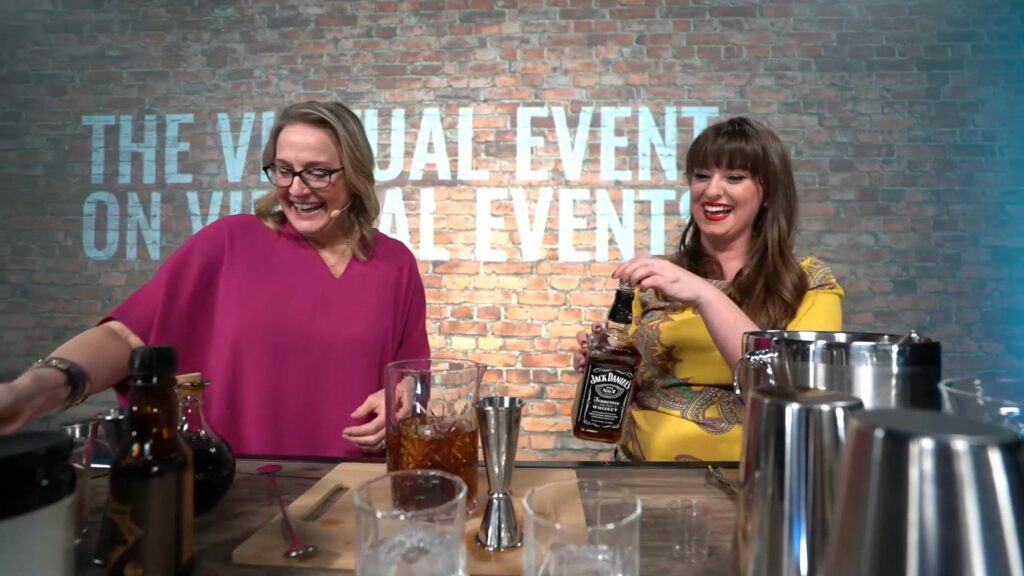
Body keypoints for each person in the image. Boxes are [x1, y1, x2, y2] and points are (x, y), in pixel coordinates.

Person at [0, 101, 429, 458]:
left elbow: (414, 378)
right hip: (238, 488)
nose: (298, 189)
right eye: (283, 170)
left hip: (351, 490)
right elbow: (125, 338)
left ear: (354, 175)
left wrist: (405, 397)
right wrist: (31, 390)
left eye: (318, 172)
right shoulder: (228, 243)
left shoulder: (394, 264)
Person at [574, 117, 843, 462]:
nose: (712, 190)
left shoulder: (810, 282)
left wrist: (706, 295)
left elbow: (794, 395)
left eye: (735, 177)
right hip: (639, 480)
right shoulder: (655, 280)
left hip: (757, 484)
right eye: (702, 176)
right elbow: (610, 414)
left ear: (769, 194)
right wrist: (601, 370)